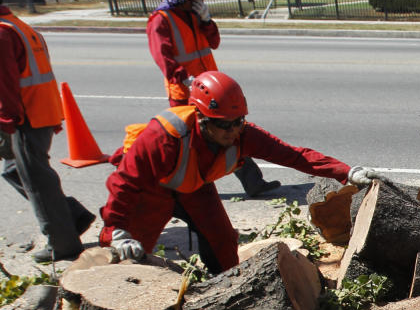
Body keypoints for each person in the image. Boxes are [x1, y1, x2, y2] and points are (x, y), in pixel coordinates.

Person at [99, 71, 377, 273]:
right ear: (201, 118)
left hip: (196, 188)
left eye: (238, 122)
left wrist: (347, 172)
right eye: (223, 125)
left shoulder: (243, 135)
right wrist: (117, 230)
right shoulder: (165, 137)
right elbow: (125, 183)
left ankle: (224, 288)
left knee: (223, 243)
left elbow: (294, 155)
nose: (232, 131)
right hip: (151, 192)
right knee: (132, 258)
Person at [148, 0, 281, 199]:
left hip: (210, 91)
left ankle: (253, 182)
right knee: (193, 145)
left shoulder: (193, 15)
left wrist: (207, 21)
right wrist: (184, 78)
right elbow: (164, 58)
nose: (195, 3)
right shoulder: (161, 20)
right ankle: (180, 189)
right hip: (185, 93)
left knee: (232, 133)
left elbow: (214, 42)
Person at [0, 0, 95, 263]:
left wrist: (7, 123)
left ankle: (62, 245)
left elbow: (5, 84)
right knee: (12, 171)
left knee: (38, 182)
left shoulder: (3, 32)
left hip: (26, 117)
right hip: (40, 110)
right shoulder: (19, 25)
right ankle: (72, 216)